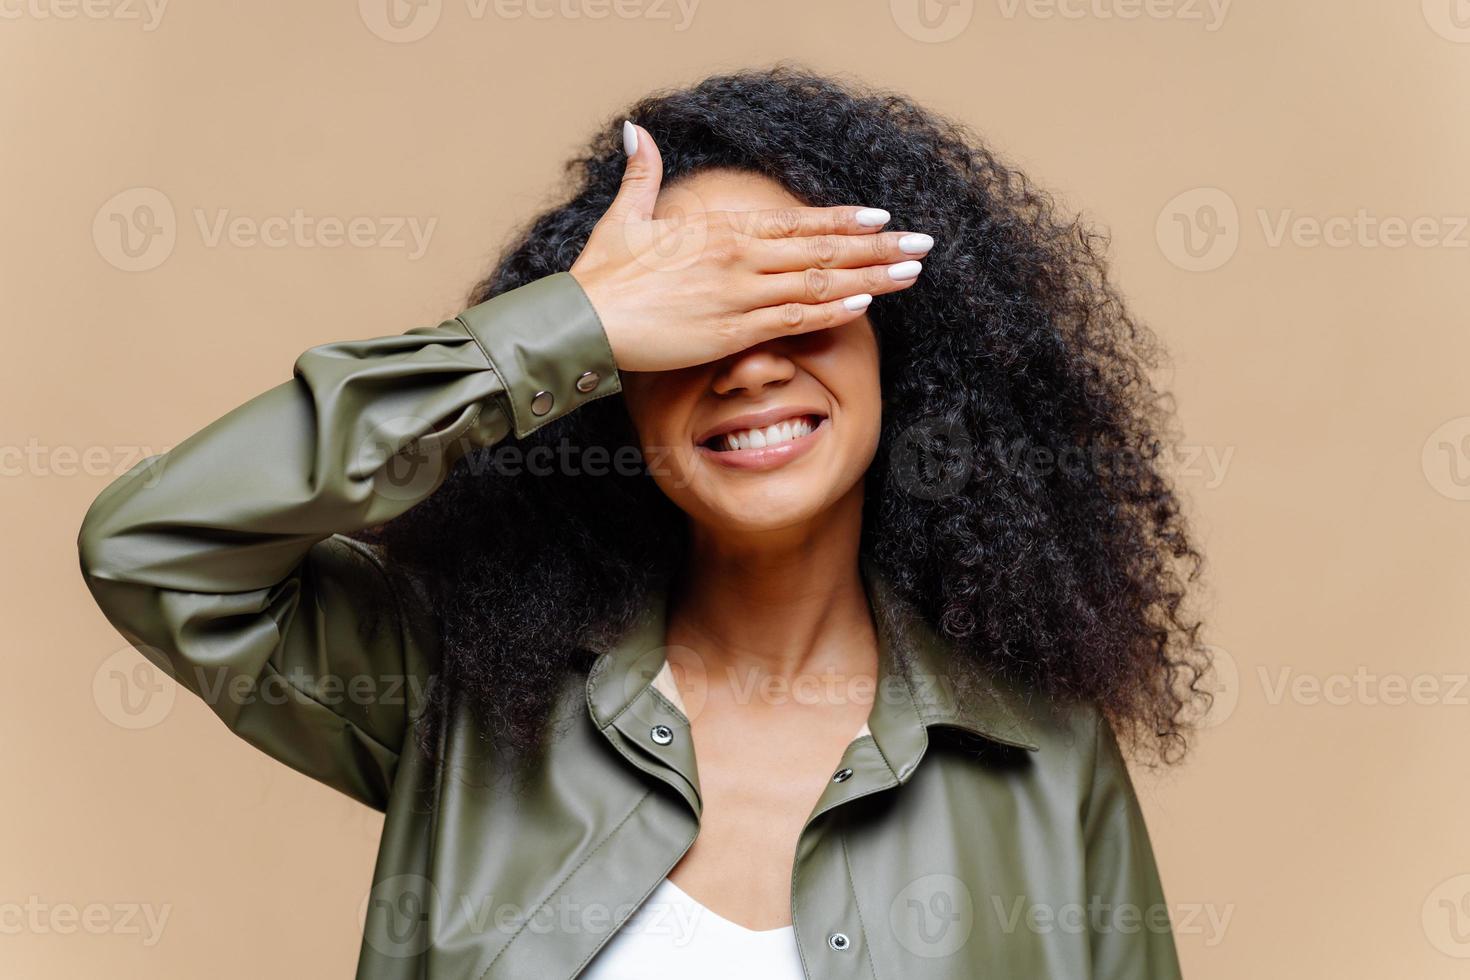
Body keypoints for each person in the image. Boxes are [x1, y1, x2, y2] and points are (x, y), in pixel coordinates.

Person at [78, 67, 1206, 979]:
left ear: (899, 355)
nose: (752, 364)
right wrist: (567, 324)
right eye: (689, 325)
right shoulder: (460, 687)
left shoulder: (1039, 749)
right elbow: (157, 544)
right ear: (613, 384)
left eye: (799, 301)